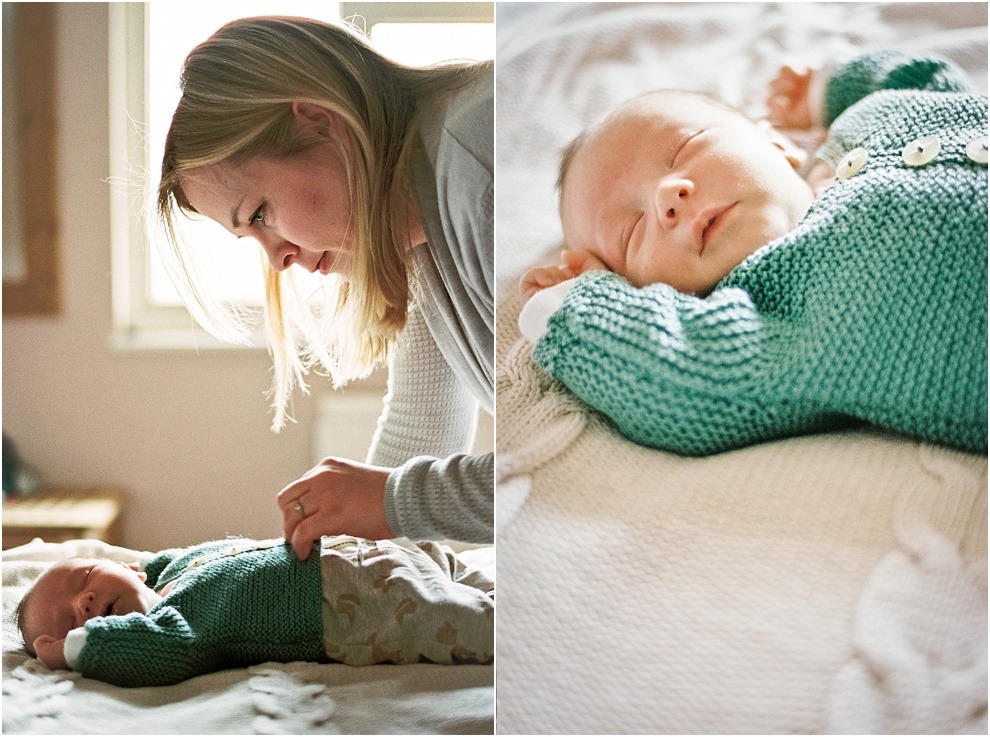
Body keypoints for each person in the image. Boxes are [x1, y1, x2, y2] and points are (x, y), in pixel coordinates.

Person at [518, 50, 987, 456]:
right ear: (641, 291)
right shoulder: (781, 320)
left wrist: (831, 88)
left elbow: (929, 81)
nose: (667, 196)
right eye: (632, 230)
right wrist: (582, 306)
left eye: (685, 148)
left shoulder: (864, 119)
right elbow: (688, 384)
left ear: (775, 143)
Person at [156, 16, 494, 556]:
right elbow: (420, 433)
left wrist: (389, 501)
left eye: (260, 213)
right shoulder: (414, 220)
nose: (278, 260)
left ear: (320, 121)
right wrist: (331, 578)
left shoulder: (480, 162)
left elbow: (587, 466)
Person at [17, 536, 494, 687]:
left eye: (84, 581)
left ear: (129, 569)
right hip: (361, 608)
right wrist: (69, 651)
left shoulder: (174, 571)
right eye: (71, 619)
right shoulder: (176, 626)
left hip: (364, 548)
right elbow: (152, 652)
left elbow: (174, 556)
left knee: (457, 566)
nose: (81, 603)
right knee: (475, 623)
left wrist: (149, 564)